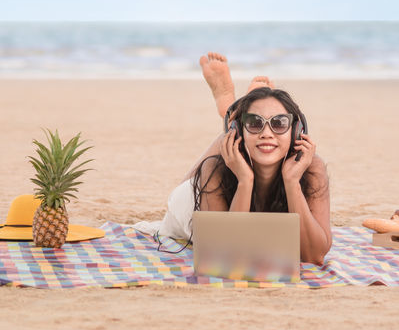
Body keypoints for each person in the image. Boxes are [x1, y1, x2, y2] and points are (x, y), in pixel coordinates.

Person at [138, 52, 332, 265]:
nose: (267, 133)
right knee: (189, 184)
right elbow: (224, 257)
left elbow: (314, 256)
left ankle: (234, 114)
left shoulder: (311, 167)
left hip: (248, 157)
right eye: (255, 122)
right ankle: (232, 118)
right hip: (195, 206)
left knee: (244, 139)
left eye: (278, 123)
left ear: (296, 131)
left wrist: (292, 182)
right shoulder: (215, 170)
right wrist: (244, 181)